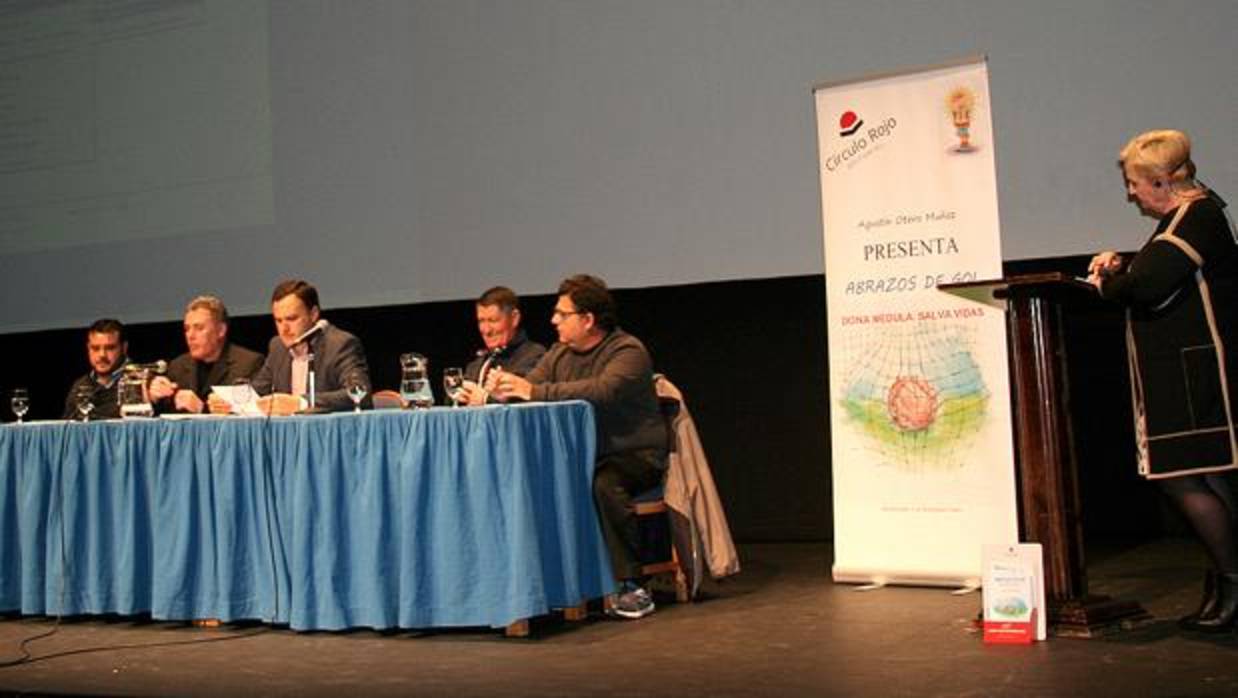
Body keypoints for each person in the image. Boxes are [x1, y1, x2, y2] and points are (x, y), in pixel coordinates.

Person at [1087, 129, 1238, 632]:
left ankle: (1232, 579)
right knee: (1208, 474)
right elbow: (1160, 273)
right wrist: (1121, 267)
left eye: (1134, 184)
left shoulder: (1198, 217)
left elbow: (1149, 286)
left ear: (1160, 180)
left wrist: (1108, 281)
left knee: (1183, 476)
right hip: (1188, 369)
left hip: (1194, 373)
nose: (1131, 193)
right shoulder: (1191, 215)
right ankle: (1227, 581)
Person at [488, 274, 667, 619]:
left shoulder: (627, 351)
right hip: (581, 457)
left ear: (587, 320)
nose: (554, 320)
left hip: (633, 455)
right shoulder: (559, 354)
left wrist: (531, 391)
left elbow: (603, 391)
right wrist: (505, 389)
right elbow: (531, 386)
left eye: (562, 314)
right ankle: (552, 584)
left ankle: (632, 585)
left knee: (604, 484)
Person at [249, 279, 371, 413]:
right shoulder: (278, 346)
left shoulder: (340, 344)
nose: (284, 329)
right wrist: (228, 400)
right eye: (278, 320)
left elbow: (359, 394)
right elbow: (256, 393)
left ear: (313, 314)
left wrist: (301, 402)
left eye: (292, 319)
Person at [147, 296, 264, 414]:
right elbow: (163, 413)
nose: (190, 336)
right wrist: (155, 397)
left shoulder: (248, 364)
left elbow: (250, 417)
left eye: (199, 328)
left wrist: (202, 409)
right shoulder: (178, 366)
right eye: (187, 329)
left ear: (221, 330)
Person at [458, 286, 546, 405]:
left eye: (493, 320)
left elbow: (520, 399)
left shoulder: (535, 356)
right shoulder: (477, 365)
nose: (486, 330)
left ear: (514, 318)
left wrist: (485, 399)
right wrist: (459, 397)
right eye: (481, 321)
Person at [61, 318, 129, 420]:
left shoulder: (140, 380)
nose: (102, 355)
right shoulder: (80, 385)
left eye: (110, 348)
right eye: (95, 348)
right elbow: (67, 430)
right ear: (88, 348)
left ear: (124, 348)